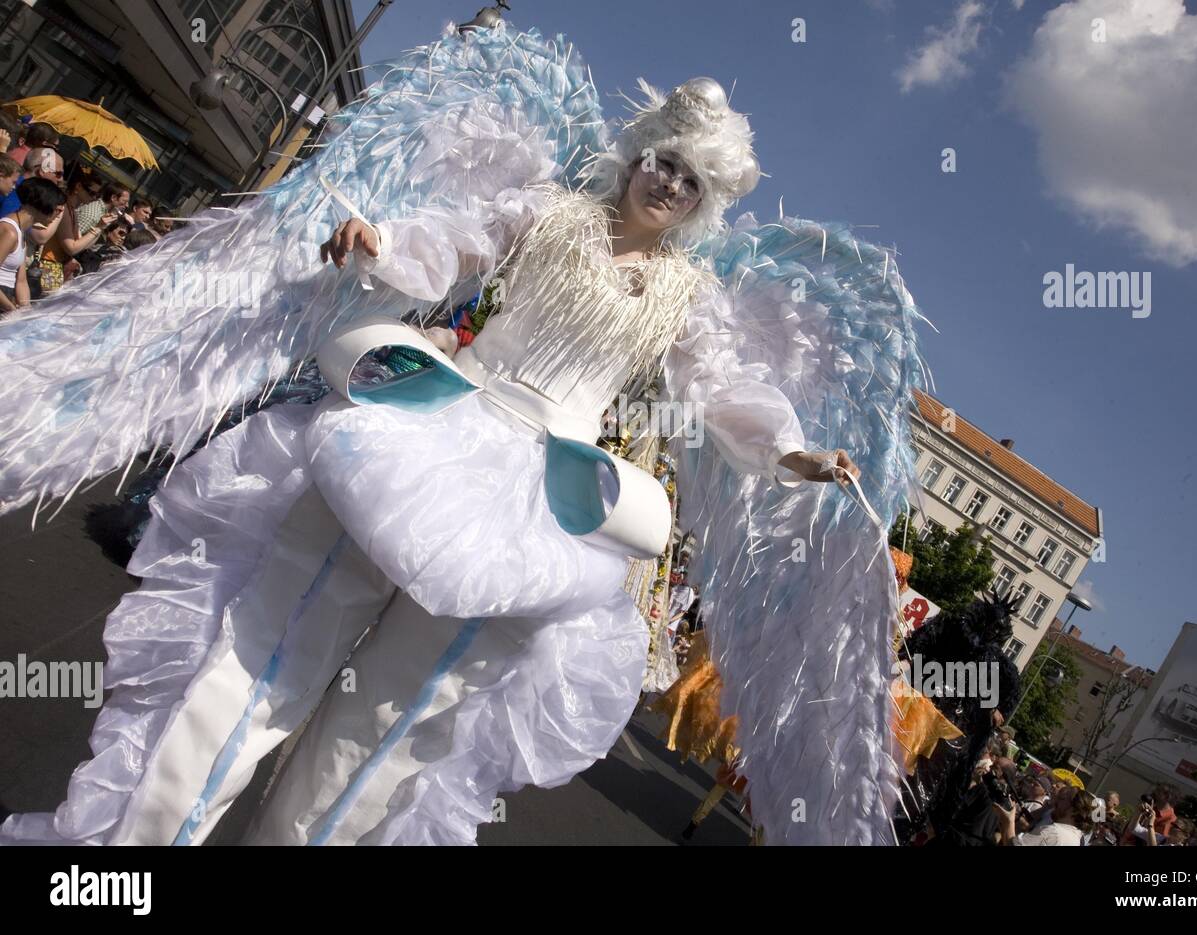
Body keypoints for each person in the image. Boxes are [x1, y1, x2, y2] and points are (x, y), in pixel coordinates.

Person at [0, 26, 921, 847]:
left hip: (542, 504)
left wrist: (790, 452)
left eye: (691, 180)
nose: (670, 184)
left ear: (702, 201)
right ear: (639, 153)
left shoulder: (689, 297)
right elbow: (456, 241)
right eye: (665, 162)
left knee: (390, 729)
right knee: (270, 648)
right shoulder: (550, 210)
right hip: (431, 430)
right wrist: (382, 240)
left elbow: (722, 392)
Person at [32, 165, 114, 292]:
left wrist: (101, 227)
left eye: (97, 195)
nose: (94, 198)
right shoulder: (64, 208)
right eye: (91, 193)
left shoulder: (72, 211)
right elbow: (71, 248)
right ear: (78, 187)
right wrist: (98, 227)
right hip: (46, 263)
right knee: (43, 301)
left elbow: (82, 245)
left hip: (55, 266)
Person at [0, 178, 65, 313]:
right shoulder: (9, 232)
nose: (59, 215)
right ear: (44, 204)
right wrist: (11, 309)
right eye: (58, 209)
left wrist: (26, 312)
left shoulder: (21, 232)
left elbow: (21, 281)